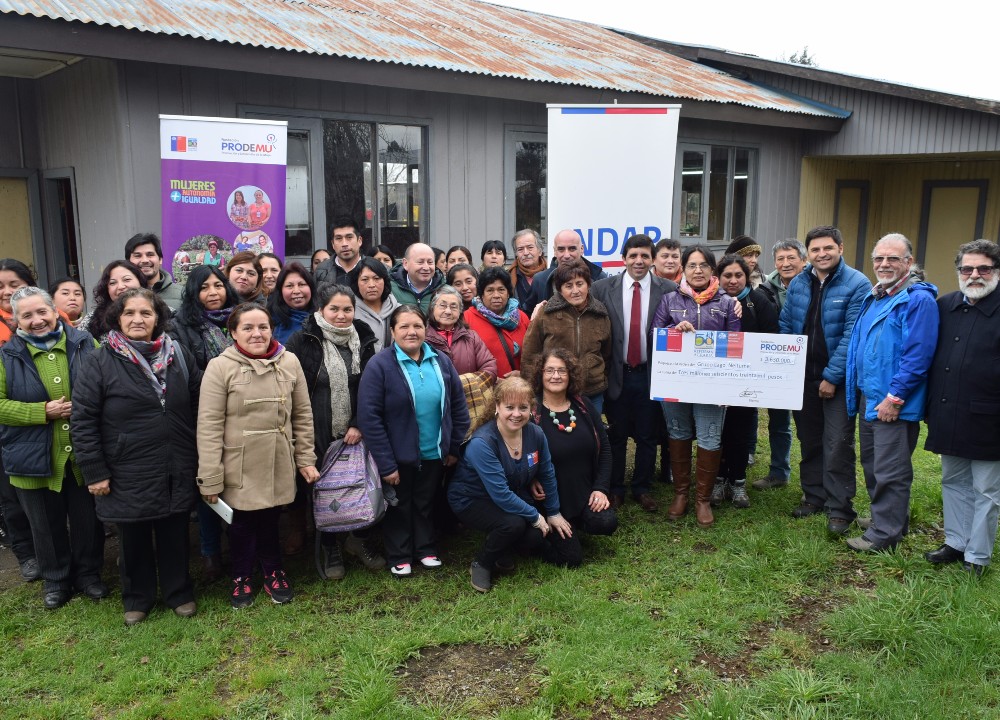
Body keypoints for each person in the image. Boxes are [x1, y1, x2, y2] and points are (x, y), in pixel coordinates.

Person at [72, 288, 201, 624]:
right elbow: (83, 420)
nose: (137, 319)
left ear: (157, 318)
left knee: (175, 529)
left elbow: (199, 404)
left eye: (146, 313)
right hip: (125, 464)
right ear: (118, 318)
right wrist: (94, 470)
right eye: (130, 313)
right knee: (133, 535)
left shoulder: (178, 355)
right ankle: (137, 598)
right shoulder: (99, 361)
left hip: (176, 459)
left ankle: (179, 592)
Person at [197, 304, 319, 607]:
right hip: (237, 463)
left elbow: (302, 415)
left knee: (269, 519)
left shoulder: (288, 361)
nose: (257, 334)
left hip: (278, 458)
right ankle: (241, 576)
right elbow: (209, 425)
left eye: (263, 327)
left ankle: (274, 571)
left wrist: (305, 458)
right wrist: (210, 476)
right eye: (248, 328)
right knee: (240, 524)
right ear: (234, 332)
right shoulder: (220, 366)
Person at [0, 286, 105, 609]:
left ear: (54, 311)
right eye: (27, 316)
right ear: (16, 321)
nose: (37, 320)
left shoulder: (86, 344)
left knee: (88, 520)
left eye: (41, 312)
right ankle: (56, 580)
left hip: (83, 453)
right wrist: (40, 412)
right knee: (44, 525)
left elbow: (107, 382)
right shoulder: (7, 355)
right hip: (33, 456)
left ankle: (88, 575)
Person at [357, 305, 470, 576]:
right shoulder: (380, 365)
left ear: (425, 329)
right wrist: (386, 464)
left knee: (425, 502)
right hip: (397, 456)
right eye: (404, 326)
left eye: (417, 326)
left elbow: (458, 405)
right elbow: (370, 418)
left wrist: (453, 446)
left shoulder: (440, 360)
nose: (412, 331)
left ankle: (426, 549)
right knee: (399, 505)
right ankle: (399, 554)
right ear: (393, 332)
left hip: (434, 452)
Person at [843, 233, 938, 553]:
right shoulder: (878, 295)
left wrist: (895, 398)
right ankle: (889, 518)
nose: (884, 264)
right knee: (873, 463)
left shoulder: (917, 299)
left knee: (890, 469)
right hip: (870, 395)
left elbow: (918, 355)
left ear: (909, 263)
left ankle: (885, 534)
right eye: (879, 259)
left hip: (892, 401)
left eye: (893, 258)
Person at [287, 284, 382, 579]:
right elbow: (293, 389)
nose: (341, 316)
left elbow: (371, 387)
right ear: (321, 310)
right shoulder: (303, 340)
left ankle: (359, 539)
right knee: (325, 491)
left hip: (356, 431)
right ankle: (330, 546)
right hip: (317, 430)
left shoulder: (364, 337)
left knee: (361, 484)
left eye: (347, 309)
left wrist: (358, 423)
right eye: (334, 309)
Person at [780, 226, 870, 535]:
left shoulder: (857, 284)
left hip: (838, 381)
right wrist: (786, 365)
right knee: (810, 439)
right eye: (815, 250)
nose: (822, 254)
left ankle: (840, 508)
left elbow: (851, 336)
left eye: (827, 248)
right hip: (802, 378)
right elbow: (786, 325)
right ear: (809, 254)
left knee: (837, 444)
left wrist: (832, 377)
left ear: (840, 248)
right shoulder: (799, 284)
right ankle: (814, 496)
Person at [448, 376, 570, 592]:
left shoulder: (535, 433)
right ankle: (482, 563)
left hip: (510, 493)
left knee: (532, 535)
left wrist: (553, 512)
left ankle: (503, 549)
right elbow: (501, 495)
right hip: (471, 499)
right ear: (497, 407)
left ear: (531, 409)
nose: (516, 414)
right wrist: (535, 515)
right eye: (509, 407)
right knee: (512, 524)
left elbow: (547, 472)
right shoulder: (482, 443)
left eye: (523, 407)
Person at [923, 240, 1000, 576]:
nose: (974, 275)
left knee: (986, 489)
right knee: (953, 480)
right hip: (948, 411)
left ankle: (978, 556)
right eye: (967, 269)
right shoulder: (945, 306)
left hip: (991, 417)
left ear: (996, 271)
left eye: (983, 268)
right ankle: (956, 541)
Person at [652, 245, 741, 528]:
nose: (698, 270)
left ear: (712, 270)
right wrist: (673, 332)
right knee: (677, 433)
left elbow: (737, 345)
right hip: (676, 380)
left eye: (703, 265)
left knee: (710, 437)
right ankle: (681, 494)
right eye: (692, 265)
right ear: (684, 269)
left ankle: (702, 499)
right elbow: (654, 335)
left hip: (712, 386)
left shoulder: (728, 304)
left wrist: (728, 387)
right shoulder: (668, 300)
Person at [592, 234, 675, 512]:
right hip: (617, 373)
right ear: (624, 258)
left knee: (648, 435)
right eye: (633, 255)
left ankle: (642, 487)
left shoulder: (669, 289)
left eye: (644, 256)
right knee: (616, 434)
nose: (638, 261)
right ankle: (616, 488)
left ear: (652, 259)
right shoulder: (603, 288)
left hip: (650, 374)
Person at [170, 265, 241, 581]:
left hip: (243, 415)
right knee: (210, 486)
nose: (213, 293)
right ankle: (211, 553)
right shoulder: (181, 327)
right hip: (204, 415)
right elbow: (187, 374)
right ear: (192, 293)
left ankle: (240, 546)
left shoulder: (241, 319)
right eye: (204, 288)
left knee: (240, 485)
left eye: (218, 285)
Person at [530, 350, 617, 565]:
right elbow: (521, 455)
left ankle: (576, 524)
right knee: (571, 559)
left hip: (584, 492)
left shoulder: (584, 405)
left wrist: (601, 489)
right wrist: (530, 479)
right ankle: (534, 537)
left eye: (562, 370)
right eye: (549, 370)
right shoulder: (532, 412)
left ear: (571, 375)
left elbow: (605, 449)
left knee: (606, 522)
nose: (556, 376)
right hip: (550, 501)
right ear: (541, 375)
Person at [714, 254, 779, 509]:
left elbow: (772, 337)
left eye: (738, 275)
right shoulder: (711, 301)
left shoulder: (759, 302)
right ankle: (718, 480)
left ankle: (738, 481)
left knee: (740, 432)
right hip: (716, 382)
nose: (732, 280)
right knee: (717, 433)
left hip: (746, 382)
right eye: (727, 275)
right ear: (718, 277)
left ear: (746, 276)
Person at [521, 259, 611, 414]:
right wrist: (531, 389)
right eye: (568, 286)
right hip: (554, 390)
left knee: (592, 435)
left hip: (592, 390)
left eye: (580, 284)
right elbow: (530, 353)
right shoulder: (546, 313)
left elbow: (607, 353)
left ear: (588, 284)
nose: (575, 290)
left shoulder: (600, 314)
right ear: (560, 289)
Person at [754, 239, 808, 491]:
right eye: (780, 259)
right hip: (778, 366)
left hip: (810, 367)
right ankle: (778, 471)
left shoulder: (814, 285)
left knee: (810, 428)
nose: (785, 264)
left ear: (803, 260)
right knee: (778, 423)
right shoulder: (765, 290)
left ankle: (815, 480)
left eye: (791, 258)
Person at [0, 260, 41, 583]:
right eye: (0, 286)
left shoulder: (49, 321)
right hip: (9, 426)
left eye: (13, 283)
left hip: (42, 428)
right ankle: (26, 554)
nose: (7, 291)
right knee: (11, 497)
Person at [426, 285, 498, 440]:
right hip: (432, 406)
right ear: (432, 309)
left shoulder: (471, 337)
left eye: (454, 307)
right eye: (442, 305)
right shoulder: (422, 338)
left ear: (460, 312)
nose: (448, 311)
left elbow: (490, 367)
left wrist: (461, 384)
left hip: (468, 406)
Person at [522, 229, 607, 316]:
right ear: (555, 251)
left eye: (572, 249)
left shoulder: (599, 278)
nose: (566, 255)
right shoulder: (540, 280)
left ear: (581, 249)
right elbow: (527, 316)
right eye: (561, 249)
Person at [465, 267, 530, 378]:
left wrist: (523, 375)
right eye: (490, 290)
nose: (496, 295)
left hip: (518, 389)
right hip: (485, 389)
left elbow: (533, 353)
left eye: (501, 289)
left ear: (508, 293)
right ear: (481, 294)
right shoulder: (467, 318)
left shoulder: (521, 317)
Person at [84, 260, 146, 342]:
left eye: (127, 279)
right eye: (112, 283)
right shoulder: (91, 319)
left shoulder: (161, 312)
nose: (120, 286)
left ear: (140, 282)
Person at [348, 256, 399, 352]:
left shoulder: (399, 311)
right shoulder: (349, 312)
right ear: (356, 283)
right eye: (365, 279)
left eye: (377, 278)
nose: (371, 285)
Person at [126, 233, 183, 310]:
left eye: (150, 254)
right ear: (128, 262)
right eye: (138, 256)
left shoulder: (182, 294)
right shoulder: (123, 293)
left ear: (160, 259)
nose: (145, 260)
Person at [267, 262, 317, 344]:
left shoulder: (324, 319)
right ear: (280, 291)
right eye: (289, 286)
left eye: (302, 284)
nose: (296, 291)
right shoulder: (269, 322)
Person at [389, 242, 445, 312]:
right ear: (405, 264)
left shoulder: (445, 288)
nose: (426, 267)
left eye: (430, 262)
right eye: (420, 262)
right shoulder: (390, 289)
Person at [314, 216, 365, 286]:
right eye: (338, 238)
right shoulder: (321, 271)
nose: (344, 244)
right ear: (333, 244)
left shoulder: (374, 268)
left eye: (349, 237)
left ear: (359, 241)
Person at [508, 229, 548, 305]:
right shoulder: (509, 277)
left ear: (540, 251)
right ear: (516, 254)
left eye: (530, 247)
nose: (525, 253)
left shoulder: (551, 275)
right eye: (520, 249)